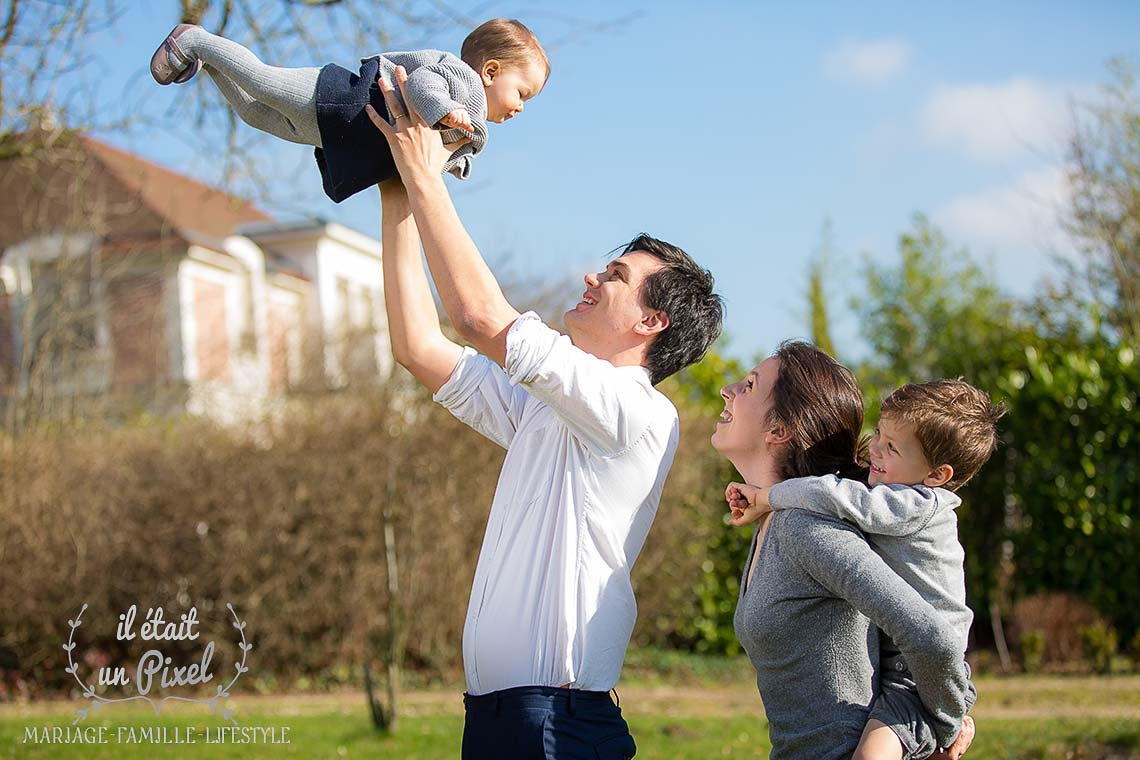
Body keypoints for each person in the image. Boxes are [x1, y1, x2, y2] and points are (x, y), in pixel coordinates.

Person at [371, 67, 724, 758]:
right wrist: (396, 190)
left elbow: (477, 317)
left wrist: (427, 178)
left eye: (615, 277)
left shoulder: (635, 413)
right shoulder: (552, 410)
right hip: (502, 722)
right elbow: (418, 347)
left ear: (652, 321)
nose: (593, 276)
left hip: (557, 728)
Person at [712, 343, 976, 760]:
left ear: (780, 430)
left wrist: (945, 725)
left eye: (748, 386)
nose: (727, 390)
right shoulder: (777, 522)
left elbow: (933, 639)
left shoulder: (805, 529)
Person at [149, 18, 549, 201]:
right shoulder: (463, 81)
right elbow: (424, 84)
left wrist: (455, 161)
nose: (520, 108)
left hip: (337, 130)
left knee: (254, 113)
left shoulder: (469, 115)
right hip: (343, 100)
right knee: (262, 81)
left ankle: (209, 64)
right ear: (491, 71)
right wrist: (444, 111)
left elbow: (433, 154)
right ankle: (195, 39)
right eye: (522, 93)